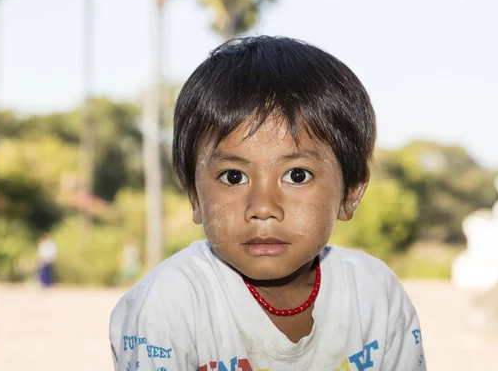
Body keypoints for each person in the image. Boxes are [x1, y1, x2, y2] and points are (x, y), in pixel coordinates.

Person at [109, 36, 426, 370]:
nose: (263, 207)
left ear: (350, 193)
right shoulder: (172, 303)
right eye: (233, 177)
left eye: (297, 175)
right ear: (194, 194)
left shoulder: (375, 296)